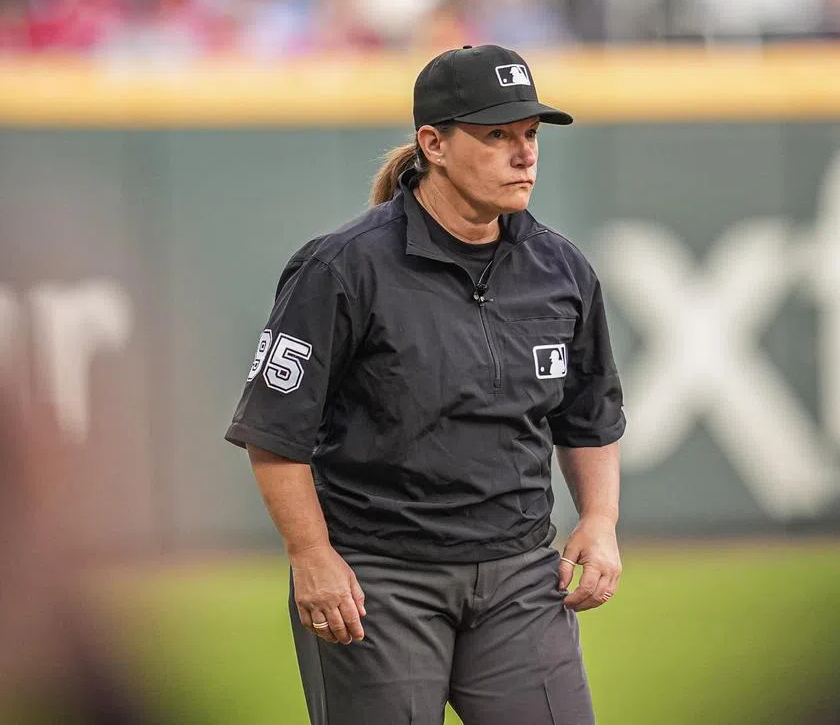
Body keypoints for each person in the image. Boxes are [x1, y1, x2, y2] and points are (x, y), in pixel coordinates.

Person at [224, 44, 626, 725]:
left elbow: (589, 417)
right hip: (380, 581)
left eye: (529, 135)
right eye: (497, 135)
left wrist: (600, 521)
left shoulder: (560, 268)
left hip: (521, 577)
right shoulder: (343, 268)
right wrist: (311, 556)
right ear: (433, 144)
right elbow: (274, 431)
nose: (524, 154)